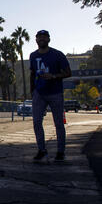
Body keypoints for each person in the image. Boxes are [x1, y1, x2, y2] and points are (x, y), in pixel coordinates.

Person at [29, 30, 72, 162]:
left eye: (44, 37)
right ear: (36, 40)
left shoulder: (57, 54)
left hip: (55, 93)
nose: (41, 39)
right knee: (36, 122)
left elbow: (68, 73)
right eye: (39, 37)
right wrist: (32, 91)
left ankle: (60, 152)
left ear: (48, 39)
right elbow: (32, 74)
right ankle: (42, 150)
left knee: (58, 124)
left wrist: (53, 76)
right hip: (39, 94)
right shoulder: (33, 55)